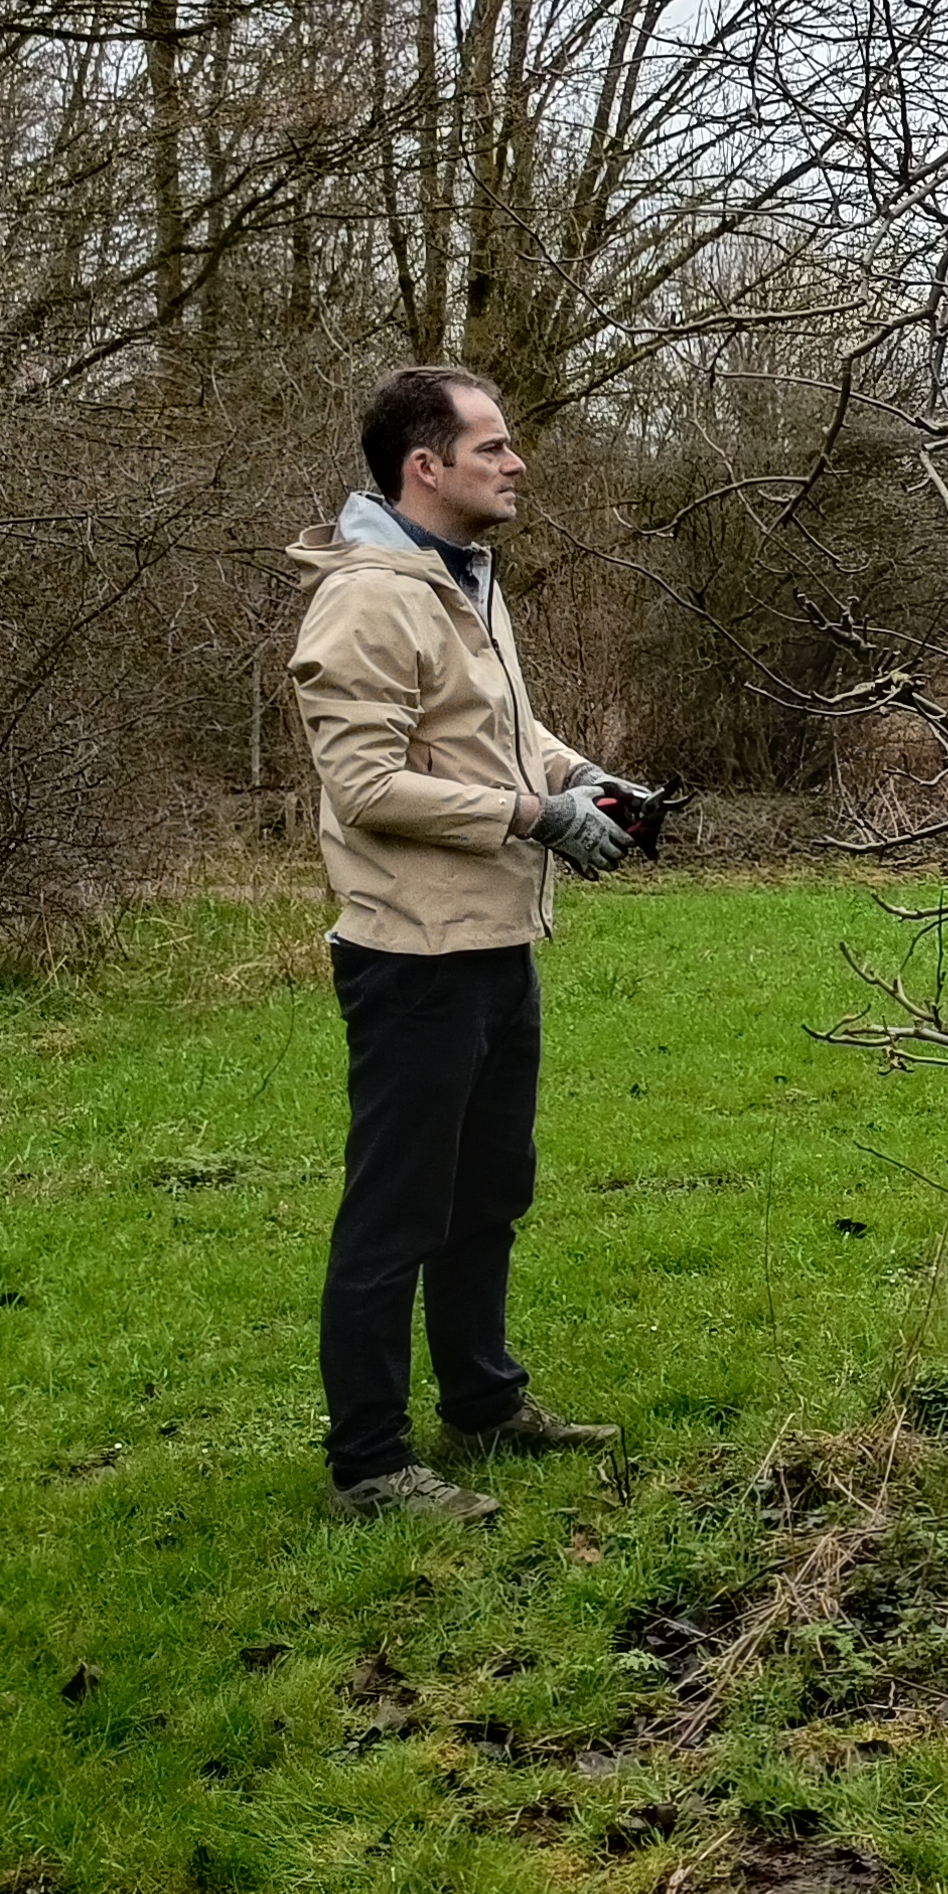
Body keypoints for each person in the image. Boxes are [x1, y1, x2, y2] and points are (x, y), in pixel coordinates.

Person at [285, 367, 640, 1526]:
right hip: (412, 957)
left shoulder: (463, 578)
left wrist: (585, 778)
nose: (516, 462)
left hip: (493, 940)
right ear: (424, 467)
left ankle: (483, 1405)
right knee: (396, 1215)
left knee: (488, 1194)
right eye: (491, 446)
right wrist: (538, 817)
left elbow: (500, 731)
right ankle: (370, 1467)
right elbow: (366, 784)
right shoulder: (368, 600)